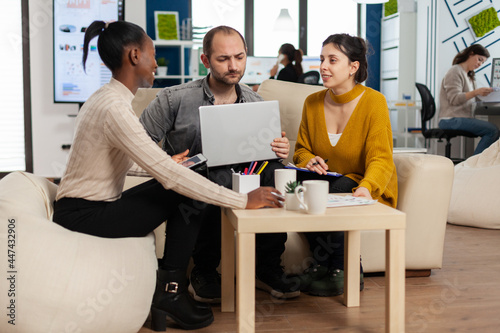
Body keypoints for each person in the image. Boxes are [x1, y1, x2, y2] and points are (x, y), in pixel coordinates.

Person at [52, 21, 283, 331]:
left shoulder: (109, 98)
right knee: (183, 186)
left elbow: (120, 160)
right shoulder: (115, 108)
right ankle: (170, 292)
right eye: (152, 54)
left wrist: (165, 160)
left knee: (186, 177)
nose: (156, 63)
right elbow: (171, 179)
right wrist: (241, 200)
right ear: (135, 56)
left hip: (85, 207)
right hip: (84, 214)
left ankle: (170, 290)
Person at [139, 26, 300, 303]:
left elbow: (271, 156)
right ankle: (204, 270)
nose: (233, 66)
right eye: (223, 59)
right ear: (205, 60)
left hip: (246, 176)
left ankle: (266, 267)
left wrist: (280, 151)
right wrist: (166, 161)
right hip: (198, 183)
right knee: (216, 176)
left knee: (278, 172)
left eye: (239, 57)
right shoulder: (174, 98)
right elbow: (136, 143)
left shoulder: (255, 101)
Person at [292, 33, 398, 297]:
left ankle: (346, 269)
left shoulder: (374, 102)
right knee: (296, 189)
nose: (323, 67)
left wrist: (367, 187)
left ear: (353, 67)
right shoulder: (312, 102)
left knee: (334, 189)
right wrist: (309, 160)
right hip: (326, 180)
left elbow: (380, 158)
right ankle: (321, 265)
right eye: (321, 59)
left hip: (362, 183)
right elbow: (301, 150)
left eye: (332, 60)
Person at [439, 44, 499, 155]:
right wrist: (476, 92)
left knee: (491, 129)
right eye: (479, 59)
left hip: (460, 118)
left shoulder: (469, 76)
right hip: (450, 119)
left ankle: (475, 163)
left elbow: (471, 97)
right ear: (471, 54)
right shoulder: (455, 71)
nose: (479, 64)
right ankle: (474, 163)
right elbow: (454, 99)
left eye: (482, 62)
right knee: (492, 131)